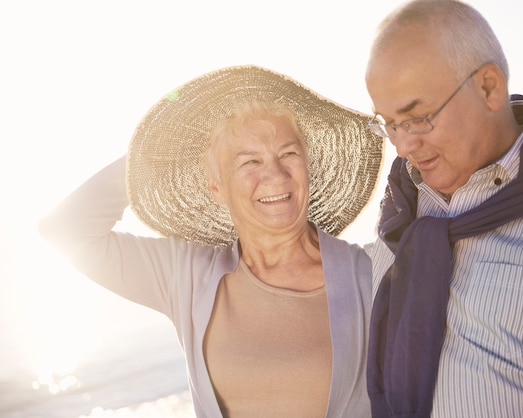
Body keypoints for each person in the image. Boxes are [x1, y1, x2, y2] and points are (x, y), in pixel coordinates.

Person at [39, 65, 384, 417]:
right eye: (250, 161)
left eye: (288, 154)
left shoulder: (373, 272)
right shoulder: (186, 276)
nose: (275, 174)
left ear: (308, 166)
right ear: (216, 186)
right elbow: (66, 230)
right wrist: (156, 148)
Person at [363, 1, 523, 417]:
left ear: (489, 87)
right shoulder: (399, 217)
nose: (402, 146)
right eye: (389, 123)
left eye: (417, 118)